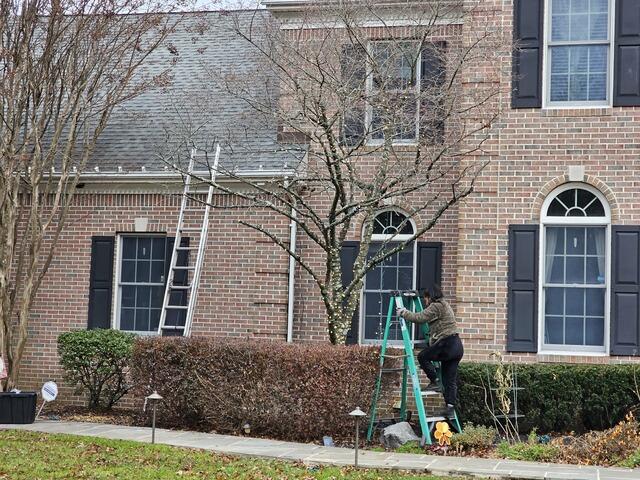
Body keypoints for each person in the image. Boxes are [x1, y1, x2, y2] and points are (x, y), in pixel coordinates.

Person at [396, 285, 463, 417]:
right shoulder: (445, 305)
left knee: (422, 356)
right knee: (449, 380)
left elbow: (420, 318)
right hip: (457, 346)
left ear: (430, 297)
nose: (425, 301)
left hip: (447, 344)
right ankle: (450, 407)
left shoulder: (436, 306)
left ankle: (435, 382)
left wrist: (403, 312)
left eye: (425, 298)